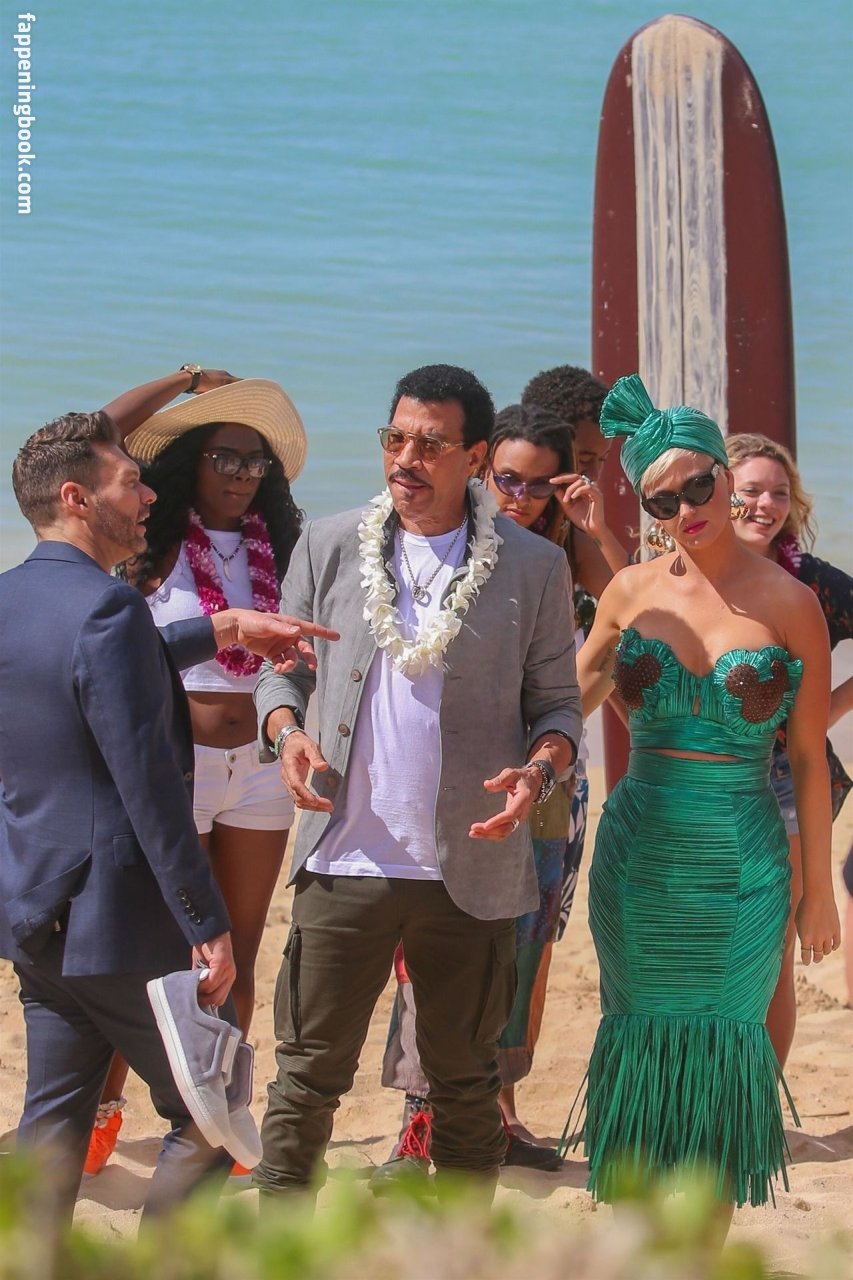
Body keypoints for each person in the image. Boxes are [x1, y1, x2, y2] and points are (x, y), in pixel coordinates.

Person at [252, 364, 581, 1203]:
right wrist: (286, 731)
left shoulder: (533, 565)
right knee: (304, 1080)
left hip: (468, 868)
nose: (405, 458)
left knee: (465, 1082)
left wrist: (537, 773)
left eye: (430, 444)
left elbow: (558, 706)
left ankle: (462, 1250)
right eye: (395, 438)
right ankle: (279, 1242)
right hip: (342, 859)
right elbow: (281, 670)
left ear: (474, 458)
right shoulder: (329, 543)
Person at [0, 410, 333, 1221]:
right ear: (76, 498)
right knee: (212, 1118)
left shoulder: (12, 599)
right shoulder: (110, 609)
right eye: (130, 482)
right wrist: (204, 922)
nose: (149, 494)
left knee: (51, 1123)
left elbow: (94, 663)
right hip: (118, 923)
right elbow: (147, 786)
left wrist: (222, 627)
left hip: (37, 912)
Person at [571, 375, 840, 1221]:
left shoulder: (792, 605)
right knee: (640, 1048)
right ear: (647, 510)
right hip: (639, 857)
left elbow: (807, 759)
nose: (685, 509)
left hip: (741, 863)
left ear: (726, 475)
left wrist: (818, 891)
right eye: (662, 501)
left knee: (726, 1059)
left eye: (697, 486)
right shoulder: (629, 591)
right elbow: (568, 698)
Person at [374, 401, 606, 1178]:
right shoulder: (449, 545)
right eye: (508, 478)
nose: (521, 496)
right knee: (430, 951)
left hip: (549, 781)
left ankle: (496, 1112)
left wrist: (591, 527)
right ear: (479, 467)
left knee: (523, 953)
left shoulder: (562, 558)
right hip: (458, 778)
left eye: (541, 484)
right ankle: (417, 1124)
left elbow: (637, 613)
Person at [82, 369, 306, 1174]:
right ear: (190, 462)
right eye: (225, 458)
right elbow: (86, 438)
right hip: (175, 768)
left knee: (235, 949)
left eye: (254, 462)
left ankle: (225, 1123)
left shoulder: (284, 549)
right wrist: (182, 379)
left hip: (261, 771)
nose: (242, 475)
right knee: (153, 954)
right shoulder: (149, 540)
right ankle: (102, 1115)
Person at [725, 433, 852, 1067]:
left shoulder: (813, 583)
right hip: (701, 774)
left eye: (779, 493)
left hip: (788, 776)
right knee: (710, 940)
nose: (766, 505)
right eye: (751, 490)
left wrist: (827, 710)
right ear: (716, 491)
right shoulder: (687, 575)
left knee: (771, 948)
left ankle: (759, 1104)